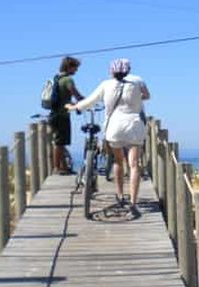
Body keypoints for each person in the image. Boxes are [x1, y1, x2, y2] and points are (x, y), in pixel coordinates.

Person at [66, 58, 150, 215]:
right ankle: (133, 201)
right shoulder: (137, 83)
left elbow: (89, 102)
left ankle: (119, 195)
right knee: (134, 165)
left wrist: (73, 107)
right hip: (134, 126)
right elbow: (147, 96)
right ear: (128, 71)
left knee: (118, 161)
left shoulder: (106, 85)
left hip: (115, 127)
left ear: (112, 71)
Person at [50, 56, 84, 174]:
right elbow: (76, 94)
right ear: (69, 67)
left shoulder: (58, 78)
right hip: (62, 115)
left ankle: (64, 167)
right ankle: (57, 168)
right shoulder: (68, 79)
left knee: (61, 142)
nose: (76, 70)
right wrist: (85, 101)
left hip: (55, 114)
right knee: (60, 143)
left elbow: (63, 98)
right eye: (75, 68)